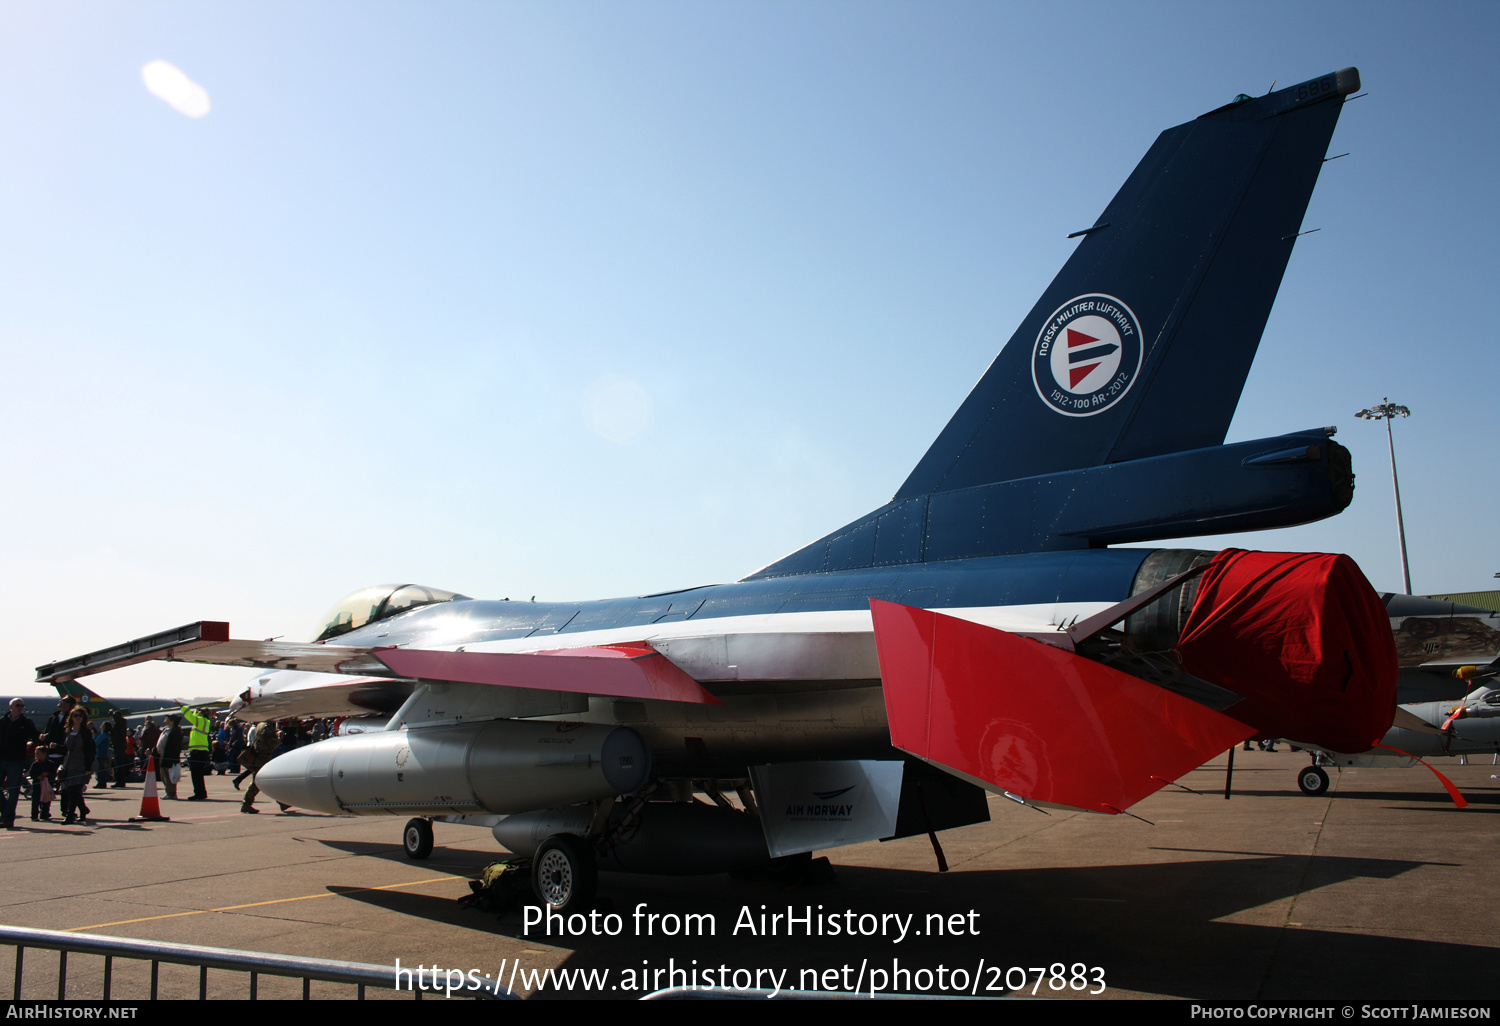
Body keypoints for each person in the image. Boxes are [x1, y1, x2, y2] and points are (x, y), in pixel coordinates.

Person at [0, 699, 41, 830]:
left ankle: (7, 819)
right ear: (11, 707)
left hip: (16, 761)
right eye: (18, 705)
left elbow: (35, 736)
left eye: (22, 706)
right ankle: (5, 811)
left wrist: (43, 739)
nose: (20, 708)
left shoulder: (26, 722)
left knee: (13, 790)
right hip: (1, 759)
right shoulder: (3, 721)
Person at [58, 707, 95, 825]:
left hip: (80, 763)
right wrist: (55, 747)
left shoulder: (85, 732)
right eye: (75, 715)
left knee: (74, 789)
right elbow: (65, 748)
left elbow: (90, 750)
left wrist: (88, 767)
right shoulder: (69, 731)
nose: (78, 717)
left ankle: (70, 815)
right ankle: (83, 810)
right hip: (68, 763)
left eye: (80, 716)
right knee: (71, 789)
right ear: (71, 717)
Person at [239, 719, 280, 814]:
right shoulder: (267, 727)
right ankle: (246, 803)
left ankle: (282, 801)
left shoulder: (261, 725)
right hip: (264, 757)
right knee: (258, 782)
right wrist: (279, 738)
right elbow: (271, 743)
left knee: (269, 780)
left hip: (260, 756)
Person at [180, 704, 212, 801]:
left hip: (197, 752)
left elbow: (189, 716)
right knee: (198, 775)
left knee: (196, 775)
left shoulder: (200, 721)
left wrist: (183, 706)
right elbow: (194, 717)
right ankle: (201, 793)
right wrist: (196, 711)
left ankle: (199, 793)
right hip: (201, 751)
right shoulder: (204, 721)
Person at [156, 715, 184, 800]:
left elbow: (174, 746)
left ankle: (171, 793)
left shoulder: (175, 731)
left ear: (171, 721)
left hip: (169, 756)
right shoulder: (166, 729)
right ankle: (168, 792)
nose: (164, 720)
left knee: (169, 776)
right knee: (163, 776)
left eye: (167, 719)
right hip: (163, 755)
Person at [28, 747, 55, 822]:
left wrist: (47, 774)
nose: (36, 755)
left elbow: (53, 773)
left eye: (38, 753)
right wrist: (37, 776)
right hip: (37, 785)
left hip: (47, 786)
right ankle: (34, 815)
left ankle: (44, 814)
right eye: (35, 753)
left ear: (44, 754)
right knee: (35, 800)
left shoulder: (50, 763)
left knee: (46, 800)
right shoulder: (35, 764)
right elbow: (31, 773)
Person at [111, 712, 131, 787]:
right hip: (119, 745)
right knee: (118, 764)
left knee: (119, 764)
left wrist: (112, 712)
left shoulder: (121, 723)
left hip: (119, 745)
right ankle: (119, 780)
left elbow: (118, 718)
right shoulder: (121, 724)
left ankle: (120, 781)